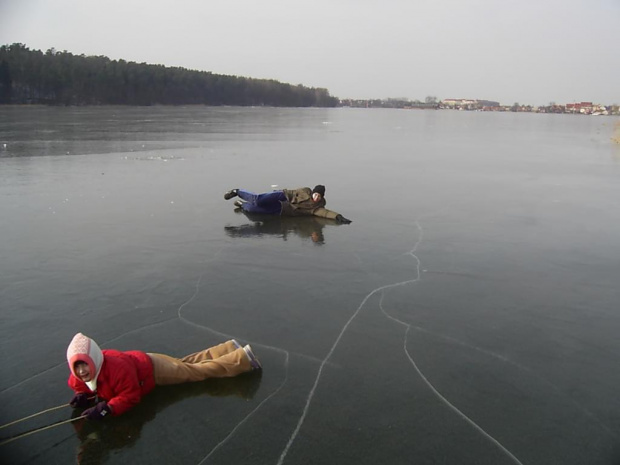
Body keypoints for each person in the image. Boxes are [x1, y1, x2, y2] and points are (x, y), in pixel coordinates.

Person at [67, 332, 261, 420]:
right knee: (186, 363)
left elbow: (131, 395)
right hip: (147, 362)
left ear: (94, 359)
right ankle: (228, 348)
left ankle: (242, 358)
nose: (82, 371)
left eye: (85, 364)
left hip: (154, 370)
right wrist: (85, 395)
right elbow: (87, 385)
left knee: (194, 372)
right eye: (78, 367)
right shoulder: (81, 376)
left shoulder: (117, 368)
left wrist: (107, 409)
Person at [224, 185, 352, 224]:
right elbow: (291, 192)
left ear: (321, 197)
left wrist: (338, 216)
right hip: (282, 195)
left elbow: (325, 213)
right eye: (315, 194)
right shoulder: (304, 191)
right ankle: (237, 192)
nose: (316, 196)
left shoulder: (316, 208)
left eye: (319, 196)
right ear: (313, 192)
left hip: (283, 209)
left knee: (254, 209)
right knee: (258, 200)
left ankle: (242, 205)